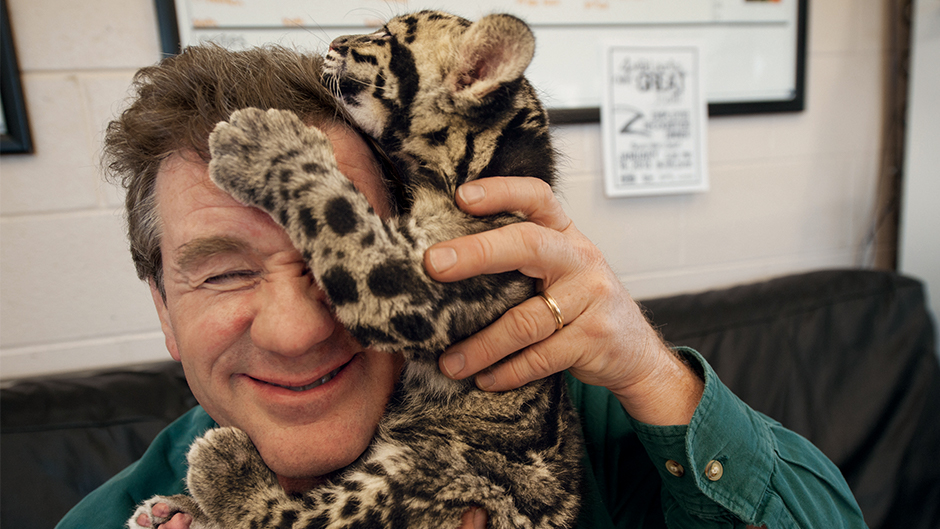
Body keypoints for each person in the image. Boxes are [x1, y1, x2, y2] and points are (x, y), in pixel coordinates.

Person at [57, 44, 867, 529]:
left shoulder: (562, 416)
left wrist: (652, 372)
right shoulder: (117, 518)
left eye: (337, 246)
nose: (297, 329)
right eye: (227, 272)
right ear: (165, 311)